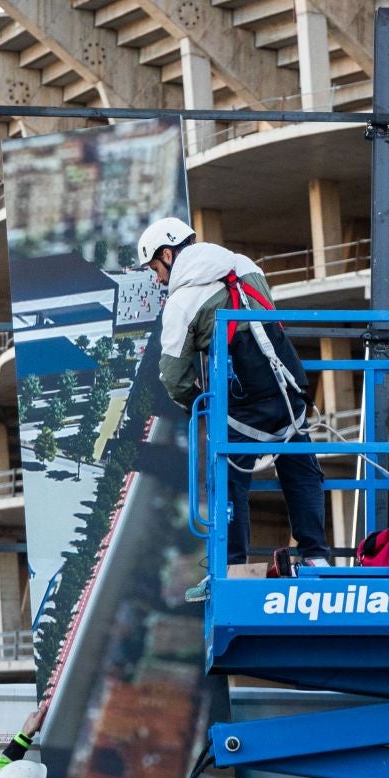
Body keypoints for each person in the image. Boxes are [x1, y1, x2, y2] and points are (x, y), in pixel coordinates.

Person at [137, 217, 331, 600]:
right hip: (288, 386)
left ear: (167, 253)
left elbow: (173, 375)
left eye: (155, 270)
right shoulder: (246, 266)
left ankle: (231, 567)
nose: (158, 280)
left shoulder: (181, 302)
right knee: (299, 463)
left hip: (241, 405)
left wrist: (200, 407)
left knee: (227, 481)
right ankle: (316, 557)